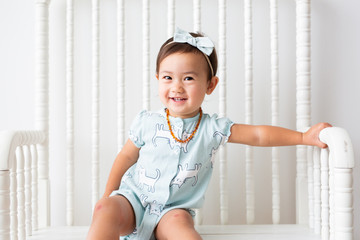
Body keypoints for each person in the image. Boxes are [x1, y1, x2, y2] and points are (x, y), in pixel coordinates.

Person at [86, 28, 331, 240]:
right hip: (134, 201)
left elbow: (257, 135)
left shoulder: (212, 128)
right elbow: (126, 157)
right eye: (168, 78)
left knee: (181, 227)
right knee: (104, 209)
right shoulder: (146, 122)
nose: (177, 87)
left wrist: (302, 137)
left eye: (189, 78)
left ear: (210, 85)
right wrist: (109, 195)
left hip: (173, 210)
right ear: (158, 79)